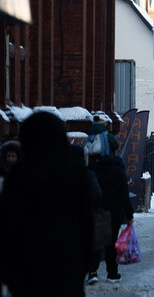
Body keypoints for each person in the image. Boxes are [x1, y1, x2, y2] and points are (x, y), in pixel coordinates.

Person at [0, 112, 94, 297]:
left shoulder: (19, 173)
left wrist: (7, 269)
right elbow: (87, 222)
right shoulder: (76, 172)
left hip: (26, 265)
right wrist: (86, 261)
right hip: (67, 261)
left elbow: (7, 222)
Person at [87, 122, 134, 285]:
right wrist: (129, 213)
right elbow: (123, 193)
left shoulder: (90, 167)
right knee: (110, 242)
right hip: (113, 211)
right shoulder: (116, 168)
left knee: (95, 240)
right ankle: (112, 273)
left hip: (94, 209)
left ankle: (92, 272)